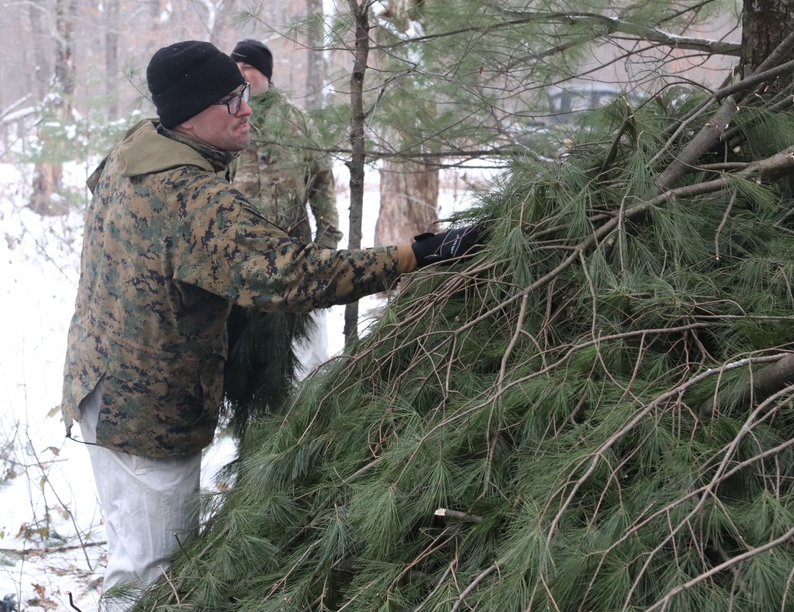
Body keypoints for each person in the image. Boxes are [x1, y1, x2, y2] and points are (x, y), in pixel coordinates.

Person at [60, 40, 483, 611]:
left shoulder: (136, 149)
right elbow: (295, 279)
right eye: (231, 99)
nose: (247, 108)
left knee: (136, 552)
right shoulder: (193, 196)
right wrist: (417, 254)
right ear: (191, 111)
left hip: (100, 379)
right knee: (149, 575)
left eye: (244, 94)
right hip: (145, 409)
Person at [229, 38, 339, 377]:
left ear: (265, 73)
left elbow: (322, 183)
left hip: (295, 258)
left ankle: (305, 419)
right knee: (246, 361)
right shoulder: (226, 121)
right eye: (236, 69)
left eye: (248, 68)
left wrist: (327, 244)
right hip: (242, 260)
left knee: (302, 356)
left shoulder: (297, 122)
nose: (242, 75)